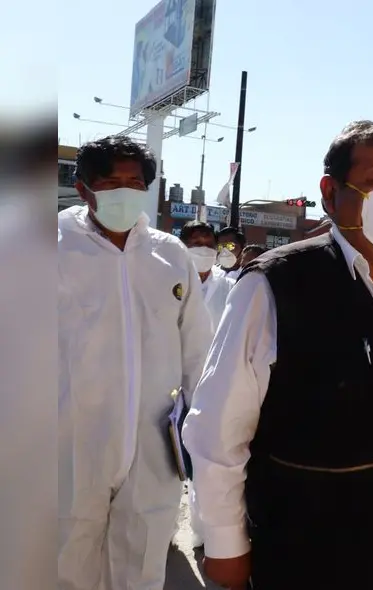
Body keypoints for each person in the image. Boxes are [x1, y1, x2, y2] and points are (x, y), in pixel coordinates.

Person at [184, 120, 373, 590]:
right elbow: (217, 430)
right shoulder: (274, 284)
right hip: (305, 553)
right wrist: (224, 544)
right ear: (331, 192)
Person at [58, 136, 212, 590]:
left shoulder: (169, 254)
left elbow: (196, 349)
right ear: (84, 187)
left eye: (134, 182)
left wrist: (201, 432)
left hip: (152, 445)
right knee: (63, 561)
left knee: (142, 564)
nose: (124, 192)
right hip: (67, 443)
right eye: (110, 182)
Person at [180, 220, 236, 333]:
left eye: (209, 245)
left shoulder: (230, 288)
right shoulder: (169, 283)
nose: (204, 250)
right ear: (182, 246)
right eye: (197, 244)